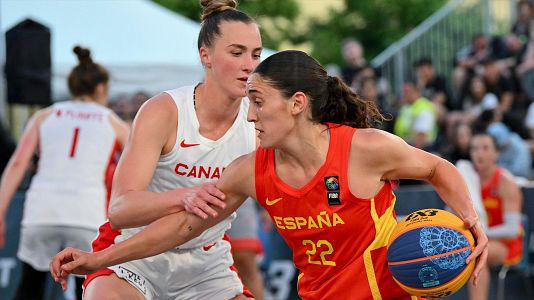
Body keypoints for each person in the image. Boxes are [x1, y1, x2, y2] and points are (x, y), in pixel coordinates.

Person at [51, 50, 489, 299]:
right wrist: (98, 260)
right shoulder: (249, 172)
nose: (250, 114)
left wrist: (472, 220)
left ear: (297, 103)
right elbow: (183, 227)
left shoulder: (363, 149)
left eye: (258, 101)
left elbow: (437, 167)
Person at [55, 1, 264, 299]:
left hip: (204, 261)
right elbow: (120, 210)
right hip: (135, 253)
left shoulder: (258, 123)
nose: (250, 65)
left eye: (256, 54)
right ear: (205, 55)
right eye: (236, 52)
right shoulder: (164, 110)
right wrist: (185, 195)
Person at [0, 46, 129, 300]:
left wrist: (1, 211)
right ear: (102, 88)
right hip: (86, 212)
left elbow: (17, 164)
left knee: (30, 286)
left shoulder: (45, 115)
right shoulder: (112, 121)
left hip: (42, 210)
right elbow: (141, 162)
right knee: (89, 287)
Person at [467, 132, 523, 300]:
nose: (479, 153)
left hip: (506, 244)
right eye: (474, 148)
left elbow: (512, 230)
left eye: (485, 148)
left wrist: (482, 233)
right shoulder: (468, 179)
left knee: (477, 255)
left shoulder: (505, 182)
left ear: (496, 153)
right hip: (478, 240)